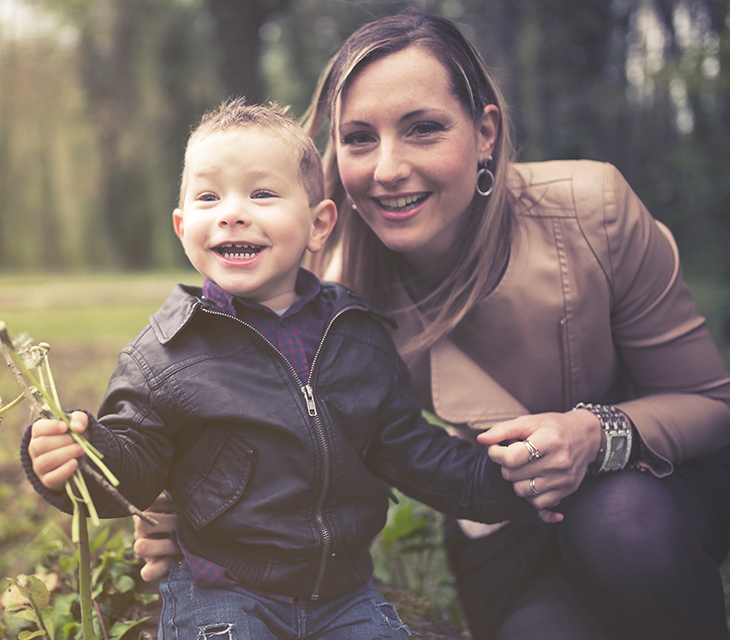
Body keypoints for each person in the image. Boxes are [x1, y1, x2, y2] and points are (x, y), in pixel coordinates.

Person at [133, 11, 730, 640]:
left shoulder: (592, 211)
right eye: (359, 137)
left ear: (485, 133)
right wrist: (186, 505)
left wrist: (591, 434)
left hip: (649, 482)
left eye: (423, 129)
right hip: (497, 513)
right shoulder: (332, 295)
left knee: (621, 526)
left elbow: (712, 404)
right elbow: (255, 405)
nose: (387, 168)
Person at [22, 97, 550, 640]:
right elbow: (132, 467)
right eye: (208, 197)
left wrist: (508, 483)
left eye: (262, 193)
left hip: (344, 596)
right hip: (221, 594)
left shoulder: (356, 336)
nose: (231, 211)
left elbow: (410, 449)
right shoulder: (164, 355)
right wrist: (81, 459)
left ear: (319, 225)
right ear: (183, 226)